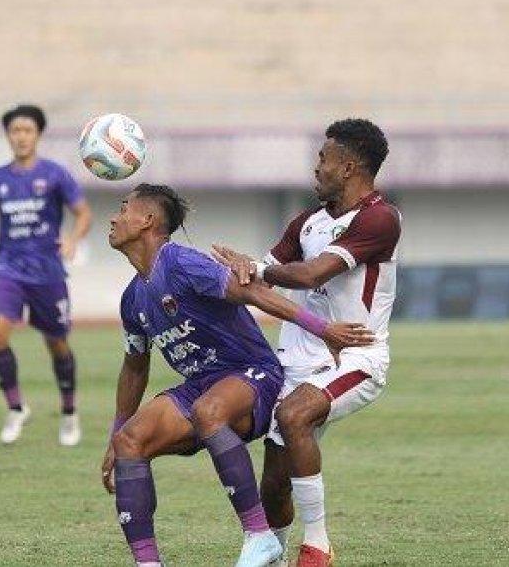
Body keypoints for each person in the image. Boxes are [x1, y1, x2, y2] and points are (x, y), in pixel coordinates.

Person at [102, 183, 374, 567]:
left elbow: (253, 293)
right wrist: (115, 430)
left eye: (123, 207)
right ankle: (148, 563)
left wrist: (322, 328)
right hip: (199, 389)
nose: (114, 217)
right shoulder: (132, 298)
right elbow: (134, 365)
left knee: (207, 409)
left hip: (253, 375)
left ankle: (260, 536)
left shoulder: (180, 262)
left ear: (147, 220)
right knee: (130, 441)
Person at [212, 118, 400, 567]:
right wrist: (236, 273)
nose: (316, 168)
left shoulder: (379, 218)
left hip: (355, 356)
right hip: (298, 360)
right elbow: (263, 279)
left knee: (294, 414)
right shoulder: (307, 223)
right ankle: (270, 556)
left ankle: (317, 544)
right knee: (274, 482)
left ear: (349, 166)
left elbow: (310, 274)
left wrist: (254, 268)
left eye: (324, 158)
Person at [0, 104, 93, 444]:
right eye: (15, 131)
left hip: (48, 272)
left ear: (38, 135)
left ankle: (68, 413)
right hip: (8, 269)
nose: (21, 137)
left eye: (27, 131)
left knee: (58, 345)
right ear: (8, 136)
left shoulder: (55, 175)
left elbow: (83, 213)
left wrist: (74, 239)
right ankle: (16, 407)